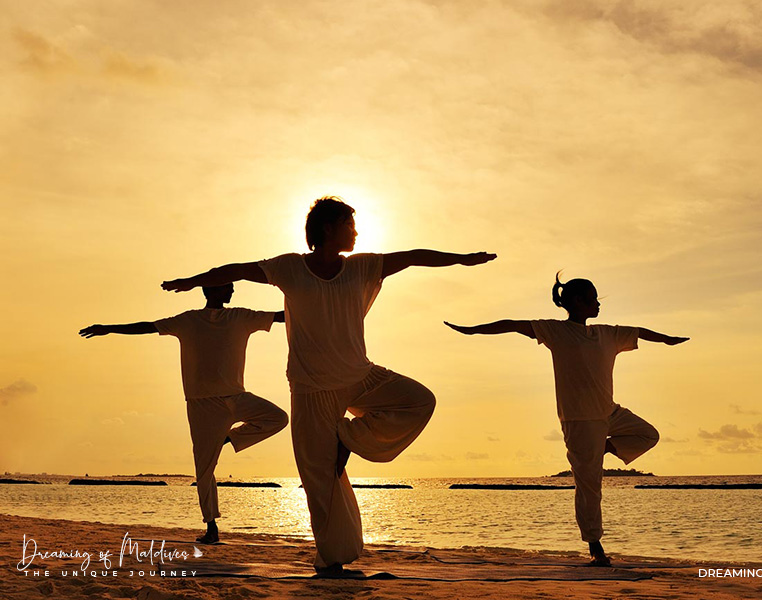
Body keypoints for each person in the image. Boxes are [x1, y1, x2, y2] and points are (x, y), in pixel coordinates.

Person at [160, 196, 496, 574]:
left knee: (419, 401)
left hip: (361, 376)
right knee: (321, 479)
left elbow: (415, 255)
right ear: (326, 229)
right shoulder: (289, 268)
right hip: (311, 388)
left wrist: (463, 258)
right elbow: (235, 268)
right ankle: (333, 559)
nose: (355, 231)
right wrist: (191, 282)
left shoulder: (363, 266)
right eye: (348, 224)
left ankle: (349, 437)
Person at [445, 274, 688, 566]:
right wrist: (473, 330)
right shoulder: (555, 332)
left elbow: (640, 332)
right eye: (592, 299)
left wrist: (667, 340)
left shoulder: (606, 333)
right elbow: (511, 325)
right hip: (579, 420)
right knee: (590, 486)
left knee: (649, 435)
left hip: (609, 412)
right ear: (575, 302)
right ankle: (595, 547)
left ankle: (604, 449)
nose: (598, 303)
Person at [79, 283, 289, 544]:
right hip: (202, 405)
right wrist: (109, 328)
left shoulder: (241, 316)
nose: (233, 292)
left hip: (237, 396)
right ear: (213, 290)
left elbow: (281, 316)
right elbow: (148, 326)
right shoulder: (188, 320)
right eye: (229, 287)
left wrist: (318, 308)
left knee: (279, 418)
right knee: (204, 469)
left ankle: (229, 439)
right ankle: (212, 527)